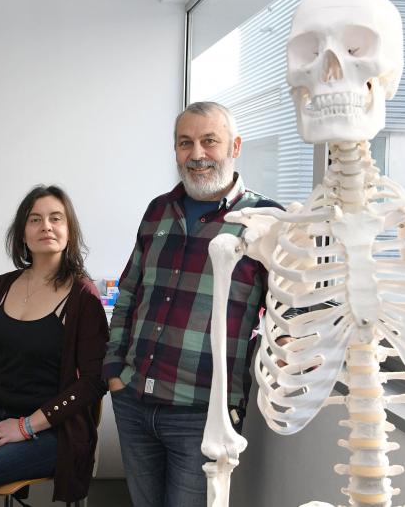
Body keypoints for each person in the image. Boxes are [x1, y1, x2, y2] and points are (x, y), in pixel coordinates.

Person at [103, 101, 282, 507]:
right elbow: (130, 291)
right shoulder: (158, 211)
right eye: (185, 143)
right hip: (134, 401)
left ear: (235, 146)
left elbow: (290, 309)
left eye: (209, 141)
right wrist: (115, 371)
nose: (197, 154)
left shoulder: (264, 218)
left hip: (201, 414)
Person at [0, 185, 109, 506]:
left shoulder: (82, 297)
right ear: (23, 233)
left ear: (69, 231)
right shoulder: (3, 286)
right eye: (35, 220)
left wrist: (25, 426)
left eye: (56, 218)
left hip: (53, 428)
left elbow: (95, 381)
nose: (46, 226)